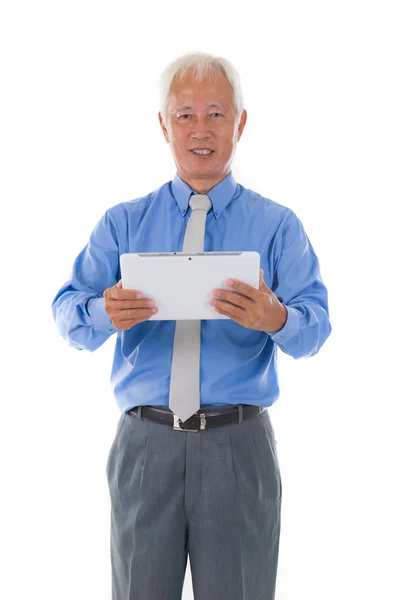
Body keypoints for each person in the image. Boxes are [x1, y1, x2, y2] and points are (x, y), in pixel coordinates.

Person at [51, 51, 332, 600]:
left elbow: (316, 325)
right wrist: (100, 313)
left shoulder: (277, 226)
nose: (200, 130)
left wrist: (277, 318)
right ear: (164, 125)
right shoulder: (123, 222)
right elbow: (67, 310)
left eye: (216, 114)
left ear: (240, 123)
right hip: (145, 446)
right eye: (185, 115)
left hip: (238, 447)